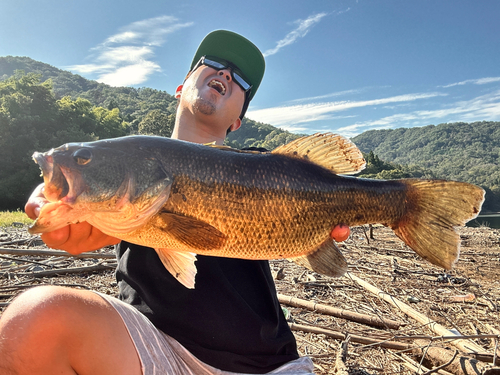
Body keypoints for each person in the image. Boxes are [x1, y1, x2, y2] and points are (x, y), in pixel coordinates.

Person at [0, 30, 349, 374]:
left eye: (240, 79)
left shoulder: (268, 167)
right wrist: (66, 206)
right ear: (181, 87)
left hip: (269, 365)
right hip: (152, 353)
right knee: (33, 317)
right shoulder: (129, 161)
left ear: (239, 120)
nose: (225, 73)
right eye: (212, 63)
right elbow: (88, 214)